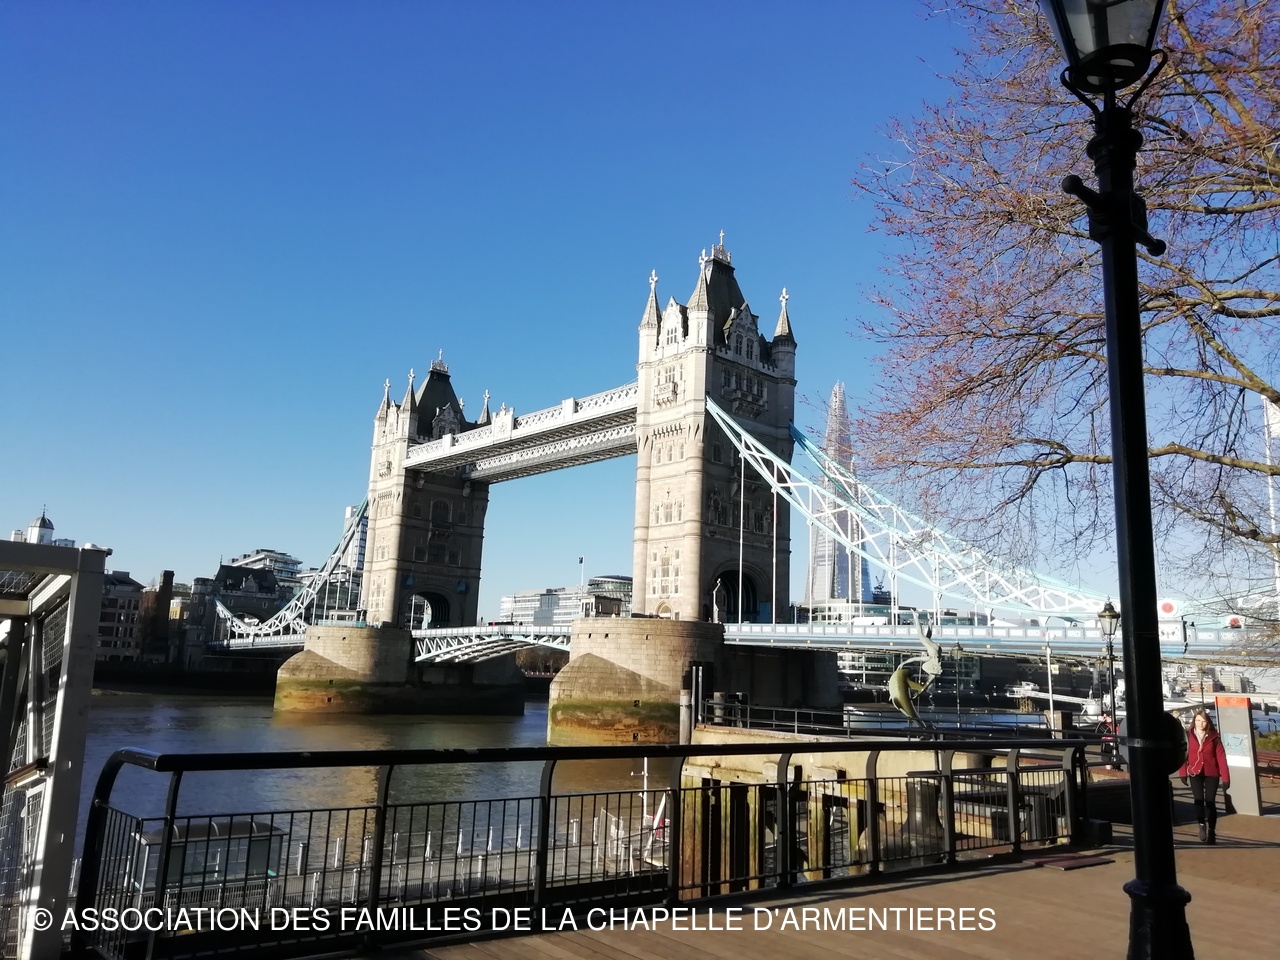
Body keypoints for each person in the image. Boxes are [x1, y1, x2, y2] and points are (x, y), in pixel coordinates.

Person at [1179, 710, 1230, 844]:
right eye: (1198, 720)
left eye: (1203, 721)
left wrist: (1226, 779)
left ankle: (1212, 830)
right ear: (1194, 721)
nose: (1200, 724)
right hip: (1194, 773)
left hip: (1211, 773)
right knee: (1198, 800)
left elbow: (1222, 758)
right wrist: (1183, 773)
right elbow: (1183, 754)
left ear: (1208, 722)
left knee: (1210, 802)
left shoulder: (1214, 737)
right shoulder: (1188, 735)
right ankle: (1202, 824)